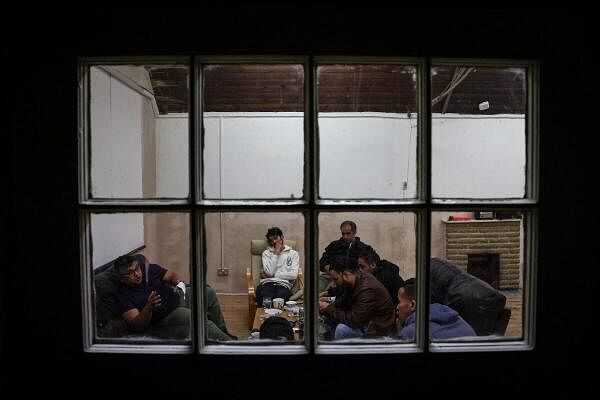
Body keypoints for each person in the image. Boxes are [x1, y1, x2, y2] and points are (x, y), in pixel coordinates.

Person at [115, 254, 235, 341]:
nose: (137, 274)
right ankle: (230, 346)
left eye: (137, 268)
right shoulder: (123, 295)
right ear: (122, 278)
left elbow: (171, 275)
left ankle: (223, 333)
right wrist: (148, 307)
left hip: (177, 296)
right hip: (168, 315)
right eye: (130, 273)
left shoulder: (149, 269)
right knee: (197, 318)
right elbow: (136, 324)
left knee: (207, 292)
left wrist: (178, 283)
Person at [319, 256, 395, 340]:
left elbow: (354, 320)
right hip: (365, 322)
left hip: (376, 330)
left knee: (341, 329)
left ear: (345, 274)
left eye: (336, 279)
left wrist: (329, 308)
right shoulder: (354, 281)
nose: (334, 283)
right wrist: (327, 306)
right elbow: (343, 302)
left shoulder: (366, 289)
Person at [393, 279, 476, 340]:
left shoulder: (410, 333)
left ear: (412, 305)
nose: (397, 307)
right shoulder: (458, 319)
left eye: (399, 302)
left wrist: (400, 333)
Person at [255, 227, 300, 307]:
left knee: (280, 300)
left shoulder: (293, 254)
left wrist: (274, 275)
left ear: (282, 237)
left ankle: (278, 318)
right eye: (271, 240)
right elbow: (269, 272)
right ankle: (265, 318)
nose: (274, 242)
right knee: (265, 299)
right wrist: (276, 253)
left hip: (283, 285)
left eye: (276, 238)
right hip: (267, 284)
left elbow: (293, 275)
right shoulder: (266, 253)